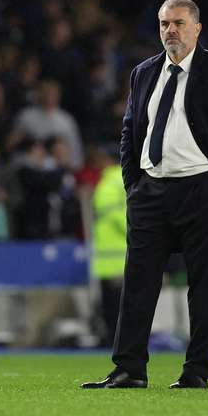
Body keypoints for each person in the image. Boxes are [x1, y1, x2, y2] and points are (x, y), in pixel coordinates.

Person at [83, 0, 208, 390]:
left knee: (203, 284)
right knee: (139, 282)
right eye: (164, 24)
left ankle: (196, 371)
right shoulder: (143, 72)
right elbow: (130, 130)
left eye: (178, 23)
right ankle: (129, 368)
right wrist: (133, 183)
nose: (170, 31)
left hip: (202, 189)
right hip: (150, 190)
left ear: (197, 28)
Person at [90, 149, 127, 348]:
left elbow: (112, 215)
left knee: (111, 306)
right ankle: (119, 340)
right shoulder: (122, 181)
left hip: (110, 259)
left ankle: (113, 340)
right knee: (120, 305)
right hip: (121, 255)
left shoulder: (109, 184)